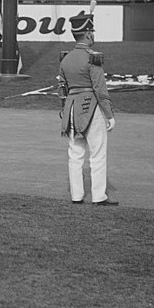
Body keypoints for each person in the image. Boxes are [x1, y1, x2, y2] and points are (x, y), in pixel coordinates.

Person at [57, 11, 117, 205]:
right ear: (88, 34)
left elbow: (62, 88)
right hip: (91, 108)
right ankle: (99, 196)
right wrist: (109, 114)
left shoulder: (65, 59)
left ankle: (77, 195)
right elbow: (100, 89)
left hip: (71, 109)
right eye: (92, 31)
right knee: (97, 154)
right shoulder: (93, 58)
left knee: (75, 154)